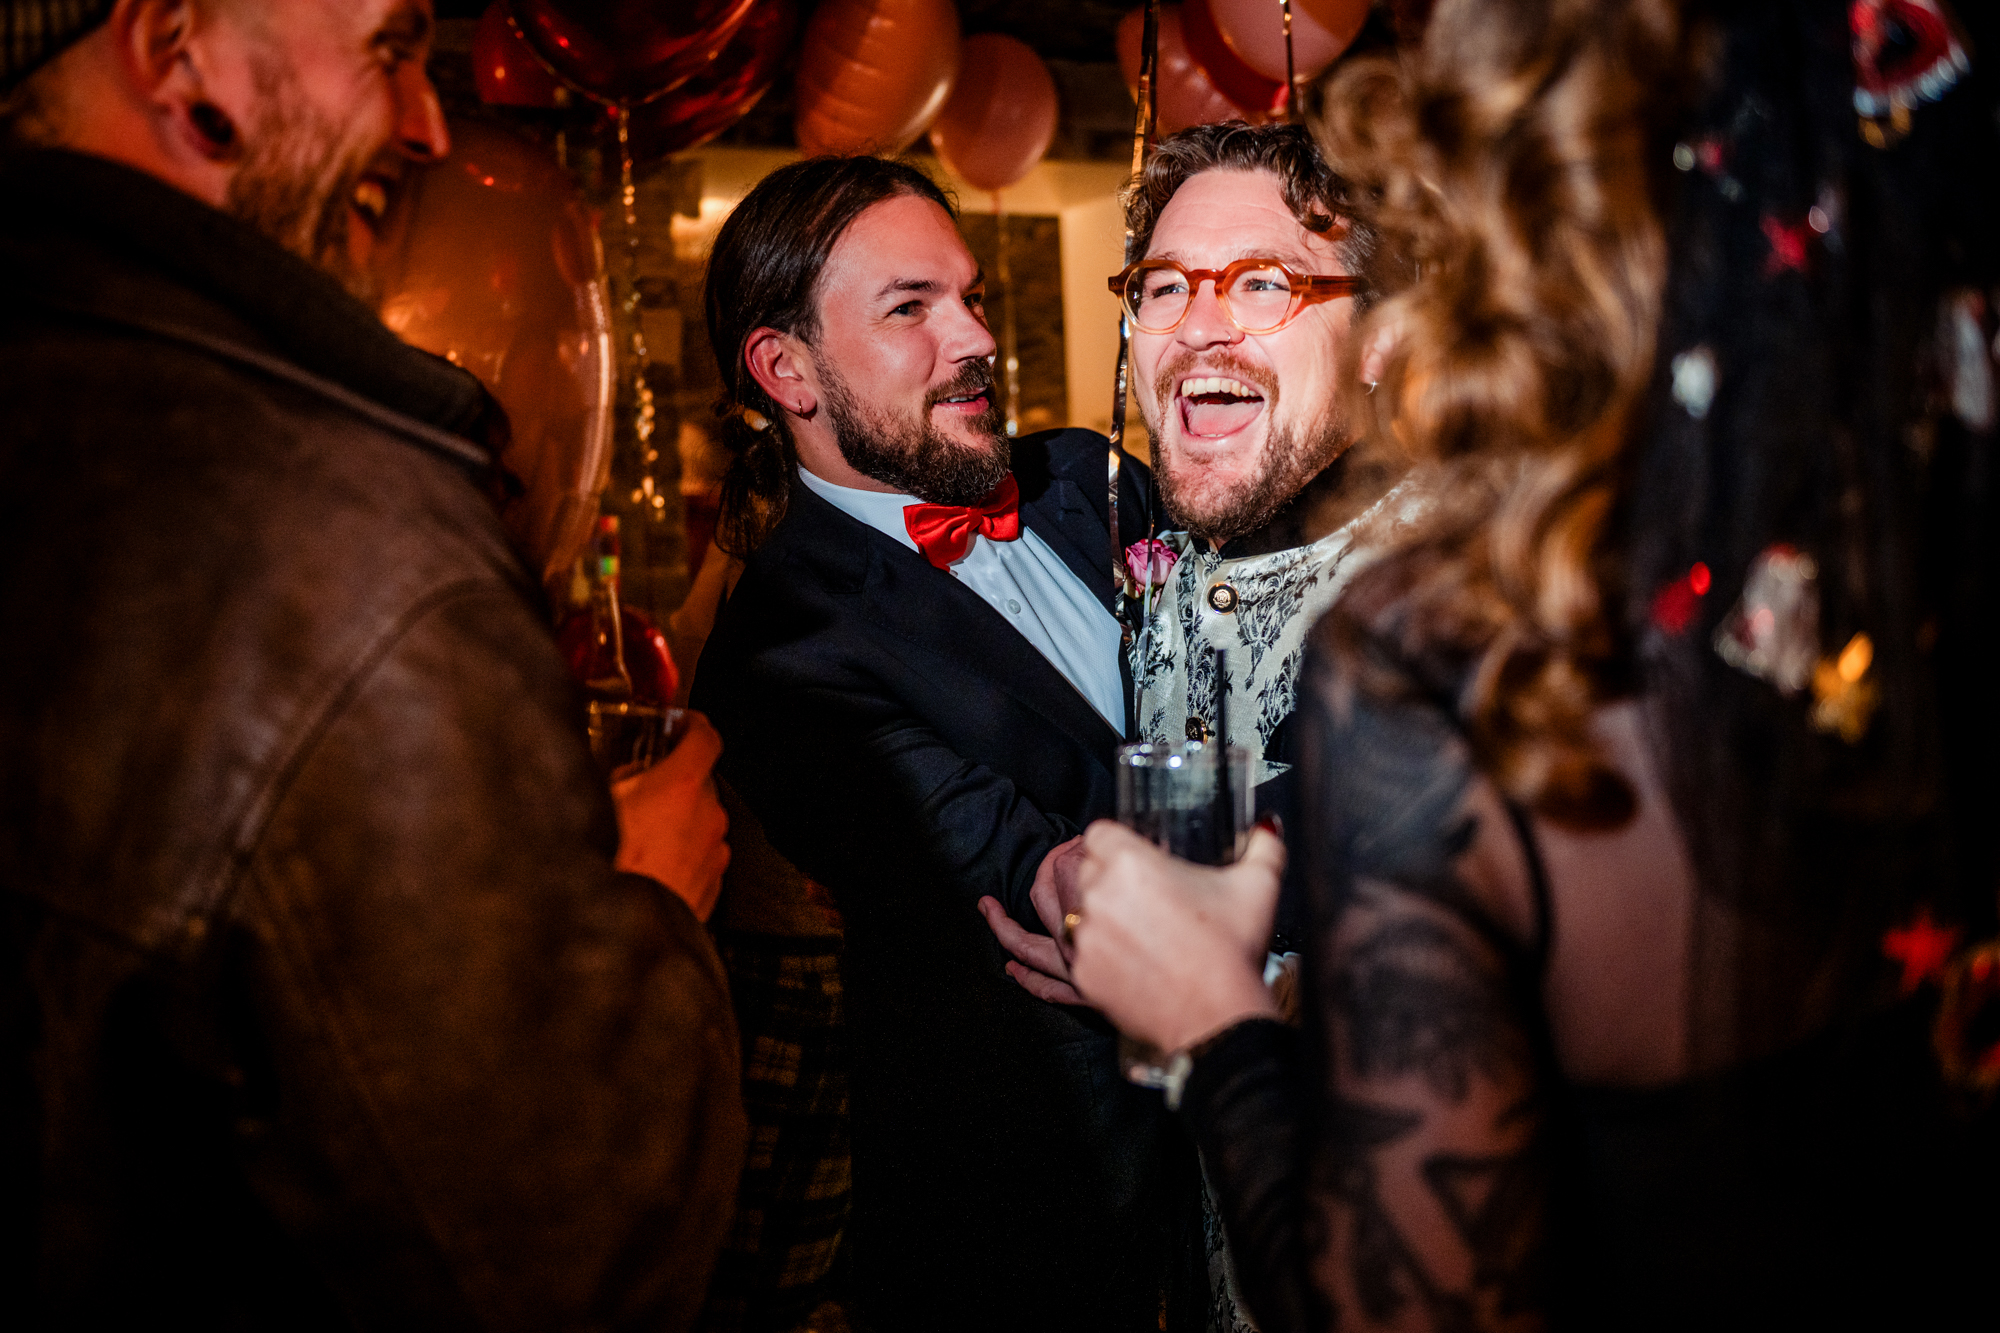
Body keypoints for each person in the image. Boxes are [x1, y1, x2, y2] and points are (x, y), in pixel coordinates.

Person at [1066, 0, 2000, 1329]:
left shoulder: (1448, 651)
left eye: (1263, 282)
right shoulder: (1139, 564)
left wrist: (1213, 1016)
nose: (1200, 323)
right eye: (1162, 287)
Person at [1, 1, 745, 1325]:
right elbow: (569, 1253)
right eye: (388, 51)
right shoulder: (340, 536)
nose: (426, 123)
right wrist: (648, 910)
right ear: (174, 52)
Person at [688, 155, 1198, 1332]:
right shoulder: (778, 649)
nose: (975, 339)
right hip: (1043, 1211)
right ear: (786, 370)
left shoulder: (1087, 476)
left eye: (967, 297)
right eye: (909, 308)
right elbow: (1019, 868)